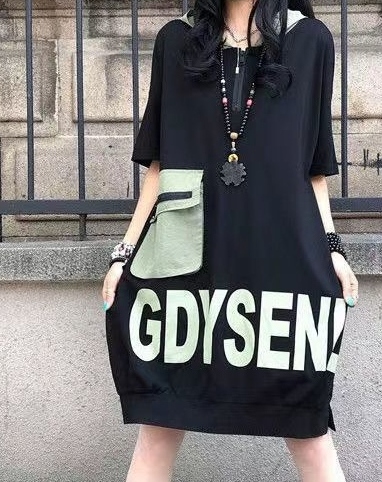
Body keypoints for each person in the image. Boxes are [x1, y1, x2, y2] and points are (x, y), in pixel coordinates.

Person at [102, 0, 359, 480]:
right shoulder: (176, 41)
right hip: (190, 258)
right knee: (161, 422)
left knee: (307, 425)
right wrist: (124, 252)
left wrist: (333, 247)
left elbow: (313, 167)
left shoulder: (310, 41)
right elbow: (159, 166)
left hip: (280, 254)